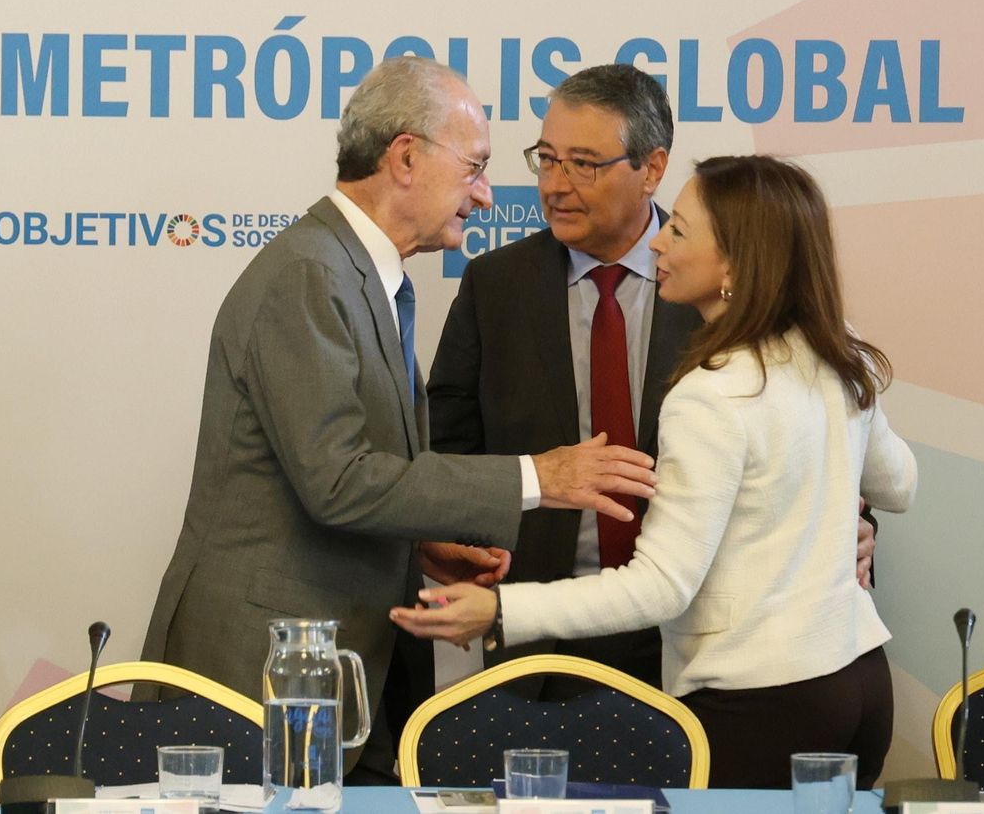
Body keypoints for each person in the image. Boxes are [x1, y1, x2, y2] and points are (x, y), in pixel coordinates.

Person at [139, 56, 660, 781]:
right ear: (407, 157)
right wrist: (540, 477)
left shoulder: (360, 275)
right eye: (476, 167)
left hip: (335, 671)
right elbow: (339, 480)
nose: (485, 196)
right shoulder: (309, 276)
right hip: (259, 673)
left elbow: (348, 473)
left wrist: (421, 546)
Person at [392, 155, 917, 789]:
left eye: (682, 231)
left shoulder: (709, 396)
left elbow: (662, 586)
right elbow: (897, 484)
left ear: (735, 264)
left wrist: (500, 610)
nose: (659, 240)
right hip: (858, 681)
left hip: (760, 702)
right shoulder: (838, 351)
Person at [428, 65, 876, 693]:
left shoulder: (733, 287)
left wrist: (852, 527)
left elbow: (829, 431)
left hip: (699, 646)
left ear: (652, 167)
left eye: (583, 164)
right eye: (546, 159)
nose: (554, 186)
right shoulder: (495, 285)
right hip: (542, 640)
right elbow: (449, 450)